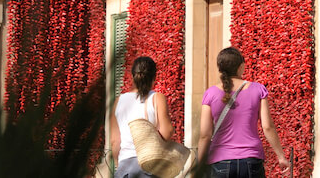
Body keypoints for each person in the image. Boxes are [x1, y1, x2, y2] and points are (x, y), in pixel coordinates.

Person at [197, 47, 290, 177]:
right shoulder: (258, 89)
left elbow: (205, 135)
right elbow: (267, 127)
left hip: (221, 161)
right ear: (242, 66)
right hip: (251, 159)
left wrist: (199, 164)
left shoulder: (210, 93)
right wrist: (281, 157)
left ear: (220, 68)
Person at [110, 56, 176, 178]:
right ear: (154, 77)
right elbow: (167, 132)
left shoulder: (118, 101)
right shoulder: (157, 98)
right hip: (148, 165)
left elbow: (114, 141)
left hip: (124, 167)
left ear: (132, 76)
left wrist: (118, 164)